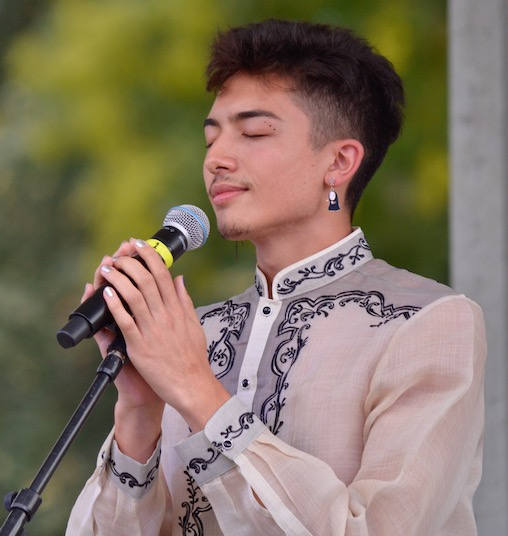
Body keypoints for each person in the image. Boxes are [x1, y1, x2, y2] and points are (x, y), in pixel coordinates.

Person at [64, 18, 486, 536]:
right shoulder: (195, 336)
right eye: (211, 139)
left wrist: (198, 390)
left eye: (255, 132)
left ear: (339, 162)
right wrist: (138, 409)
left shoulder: (428, 324)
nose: (217, 159)